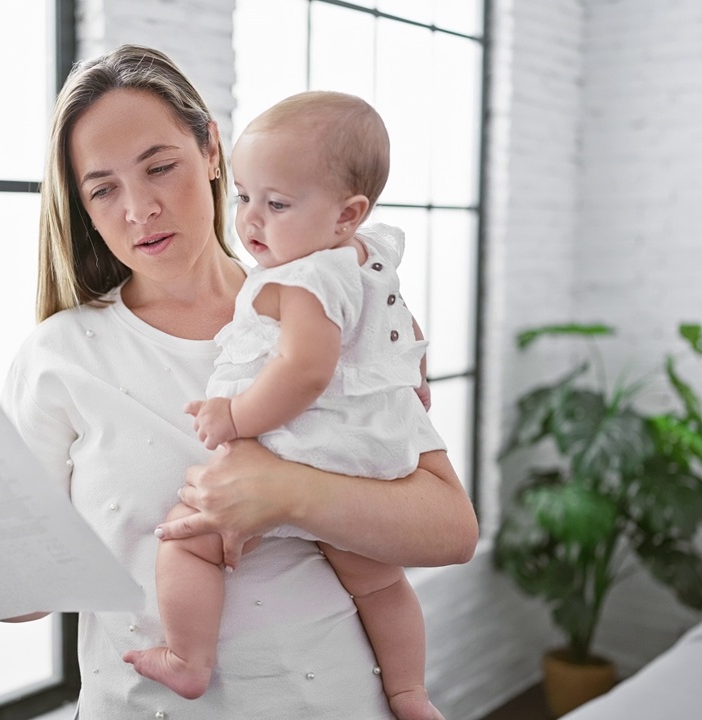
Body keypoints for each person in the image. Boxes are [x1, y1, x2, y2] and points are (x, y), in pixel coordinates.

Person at [0, 45, 477, 718]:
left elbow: (450, 530)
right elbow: (32, 595)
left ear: (213, 151)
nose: (140, 208)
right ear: (84, 207)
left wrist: (289, 493)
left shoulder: (327, 307)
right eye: (104, 189)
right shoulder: (61, 356)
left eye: (160, 167)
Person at [122, 90, 445, 720]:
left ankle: (189, 659)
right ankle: (409, 692)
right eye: (245, 198)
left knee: (188, 541)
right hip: (368, 454)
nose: (251, 222)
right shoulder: (369, 256)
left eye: (277, 204)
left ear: (347, 213)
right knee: (380, 583)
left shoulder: (300, 279)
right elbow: (400, 327)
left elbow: (303, 370)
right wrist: (414, 381)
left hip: (301, 446)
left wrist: (236, 417)